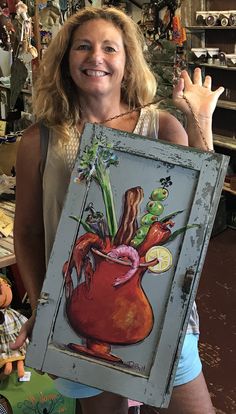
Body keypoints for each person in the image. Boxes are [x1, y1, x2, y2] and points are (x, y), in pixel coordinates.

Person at [11, 6, 224, 414]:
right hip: (80, 314)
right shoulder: (40, 139)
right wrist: (43, 306)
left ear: (127, 61)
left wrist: (200, 121)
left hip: (157, 311)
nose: (96, 57)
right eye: (83, 47)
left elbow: (200, 208)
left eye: (110, 48)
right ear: (65, 59)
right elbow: (28, 234)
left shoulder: (160, 125)